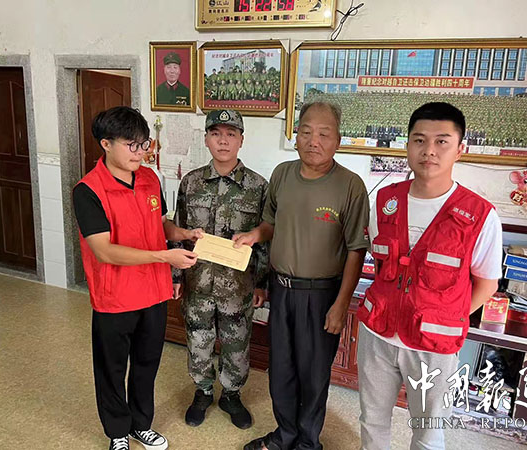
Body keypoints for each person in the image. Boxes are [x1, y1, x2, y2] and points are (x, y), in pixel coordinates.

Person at [357, 102, 503, 450]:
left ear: (460, 149)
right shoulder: (385, 200)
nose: (429, 151)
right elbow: (383, 265)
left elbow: (487, 283)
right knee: (372, 420)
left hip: (433, 346)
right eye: (420, 140)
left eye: (442, 142)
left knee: (428, 432)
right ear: (408, 144)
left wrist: (446, 316)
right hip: (377, 335)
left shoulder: (480, 215)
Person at [234, 101, 370, 450]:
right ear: (296, 136)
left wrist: (341, 305)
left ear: (338, 140)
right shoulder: (282, 174)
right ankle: (285, 435)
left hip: (322, 295)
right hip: (281, 290)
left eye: (324, 134)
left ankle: (308, 443)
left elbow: (356, 249)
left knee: (313, 374)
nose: (314, 140)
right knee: (281, 369)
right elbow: (271, 224)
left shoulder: (350, 185)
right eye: (306, 132)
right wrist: (253, 236)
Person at [72, 106, 202, 450]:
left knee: (147, 364)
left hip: (154, 292)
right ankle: (117, 431)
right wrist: (164, 256)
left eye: (144, 144)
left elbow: (158, 224)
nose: (140, 152)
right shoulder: (88, 190)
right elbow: (104, 251)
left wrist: (183, 233)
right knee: (112, 369)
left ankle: (141, 424)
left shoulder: (149, 179)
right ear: (106, 144)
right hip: (115, 297)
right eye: (131, 145)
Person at [172, 109, 269, 430]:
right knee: (198, 341)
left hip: (238, 287)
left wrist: (262, 283)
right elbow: (178, 229)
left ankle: (231, 394)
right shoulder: (191, 182)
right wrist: (176, 276)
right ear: (206, 139)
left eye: (230, 134)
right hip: (197, 282)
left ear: (241, 140)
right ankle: (202, 391)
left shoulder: (258, 186)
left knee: (237, 345)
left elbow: (265, 239)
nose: (223, 141)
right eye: (216, 134)